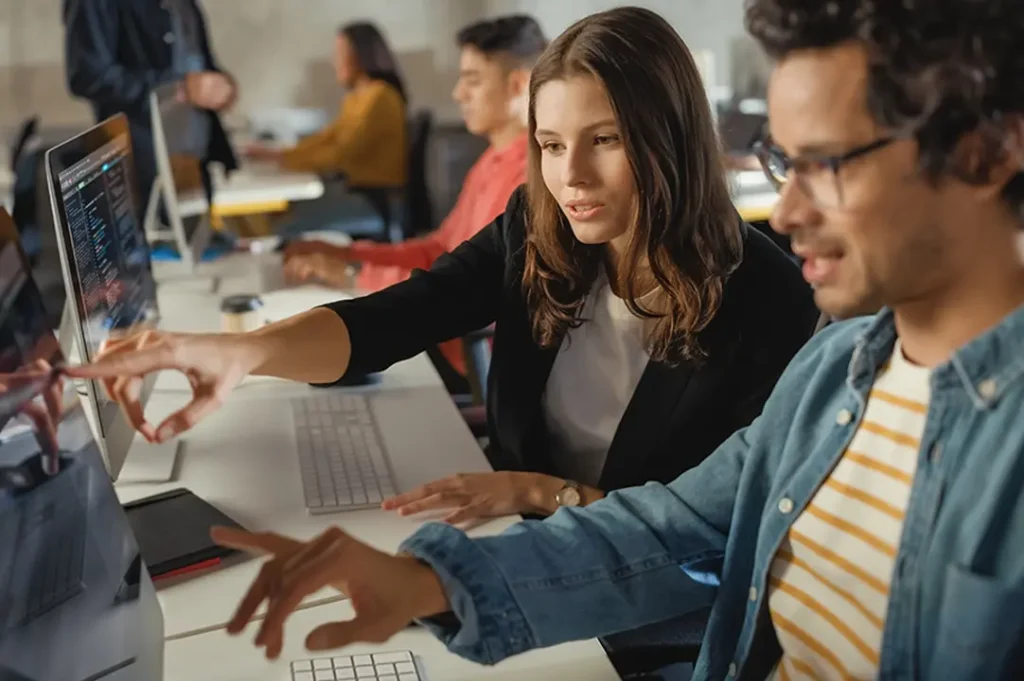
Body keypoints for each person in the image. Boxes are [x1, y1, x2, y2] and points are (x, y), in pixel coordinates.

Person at [180, 1, 1024, 678]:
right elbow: (675, 529)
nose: (791, 212)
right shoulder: (839, 370)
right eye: (783, 164)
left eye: (828, 165)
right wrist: (424, 582)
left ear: (989, 154)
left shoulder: (788, 313)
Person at [68, 3, 846, 672]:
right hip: (514, 551)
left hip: (640, 606)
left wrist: (540, 492)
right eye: (548, 144)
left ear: (669, 138)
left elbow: (717, 542)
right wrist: (244, 353)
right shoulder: (541, 227)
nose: (569, 175)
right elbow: (400, 315)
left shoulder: (768, 300)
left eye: (604, 141)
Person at [283, 15, 546, 379]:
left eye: (472, 80)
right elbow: (439, 250)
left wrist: (351, 273)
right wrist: (345, 253)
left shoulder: (526, 180)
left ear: (517, 85)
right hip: (439, 334)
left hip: (464, 356)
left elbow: (465, 292)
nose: (457, 94)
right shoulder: (491, 159)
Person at [63, 0, 238, 204]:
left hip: (192, 168)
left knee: (198, 233)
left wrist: (223, 87)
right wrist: (177, 88)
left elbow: (196, 61)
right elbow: (87, 76)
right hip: (142, 173)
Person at [246, 22, 408, 237]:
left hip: (375, 201)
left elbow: (341, 153)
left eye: (341, 53)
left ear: (361, 55)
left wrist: (284, 159)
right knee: (278, 215)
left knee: (283, 225)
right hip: (357, 192)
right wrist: (279, 155)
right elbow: (326, 138)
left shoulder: (379, 97)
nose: (335, 61)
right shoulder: (356, 98)